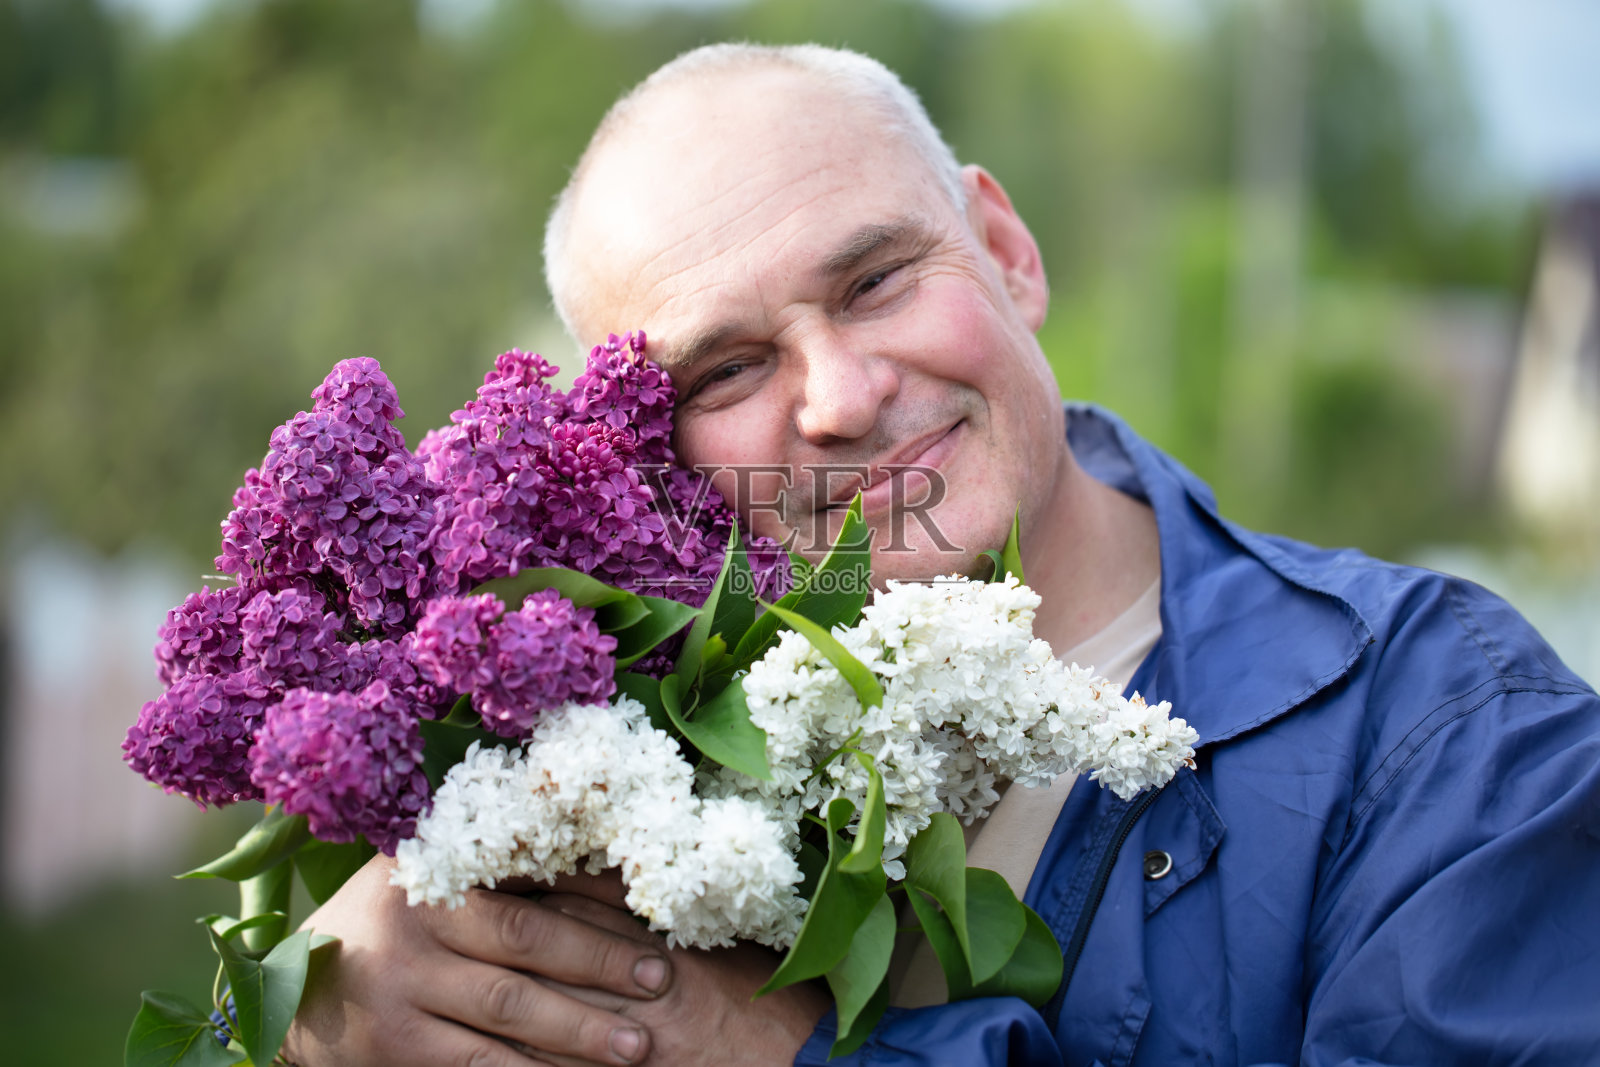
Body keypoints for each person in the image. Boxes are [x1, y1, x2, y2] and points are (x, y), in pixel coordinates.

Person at [283, 44, 1600, 1067]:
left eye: (875, 282)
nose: (843, 397)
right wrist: (313, 1008)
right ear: (639, 454)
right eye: (729, 368)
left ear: (1009, 254)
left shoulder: (1450, 737)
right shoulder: (600, 765)